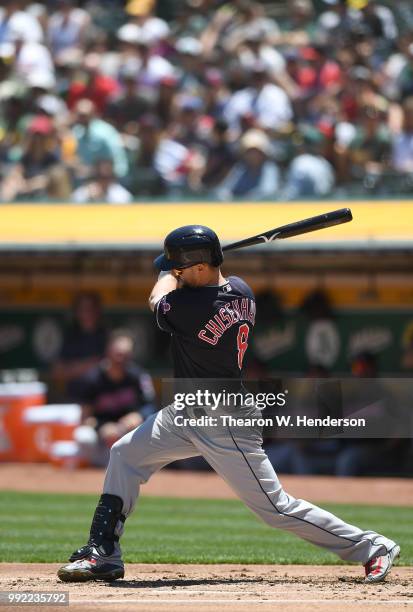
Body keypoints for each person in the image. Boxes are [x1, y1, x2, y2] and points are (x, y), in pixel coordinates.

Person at [58, 225, 399, 584]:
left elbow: (156, 299)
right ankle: (104, 553)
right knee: (125, 454)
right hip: (187, 410)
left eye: (179, 266)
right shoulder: (241, 289)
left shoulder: (191, 305)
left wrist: (166, 273)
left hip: (223, 419)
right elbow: (199, 284)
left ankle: (372, 546)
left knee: (275, 508)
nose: (175, 272)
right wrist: (183, 267)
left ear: (200, 267)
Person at [74, 331, 156, 467]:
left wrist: (139, 415)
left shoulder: (138, 376)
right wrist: (102, 427)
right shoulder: (92, 378)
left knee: (149, 427)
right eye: (118, 354)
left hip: (128, 432)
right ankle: (93, 471)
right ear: (108, 351)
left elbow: (151, 407)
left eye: (126, 355)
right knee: (84, 437)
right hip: (102, 436)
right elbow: (85, 418)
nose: (121, 359)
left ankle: (131, 465)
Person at [52, 292, 107, 401]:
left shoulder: (106, 335)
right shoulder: (71, 337)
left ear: (97, 311)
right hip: (75, 399)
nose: (87, 313)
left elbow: (111, 368)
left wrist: (73, 368)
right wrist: (90, 365)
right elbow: (57, 373)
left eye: (90, 308)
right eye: (82, 309)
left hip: (103, 401)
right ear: (76, 312)